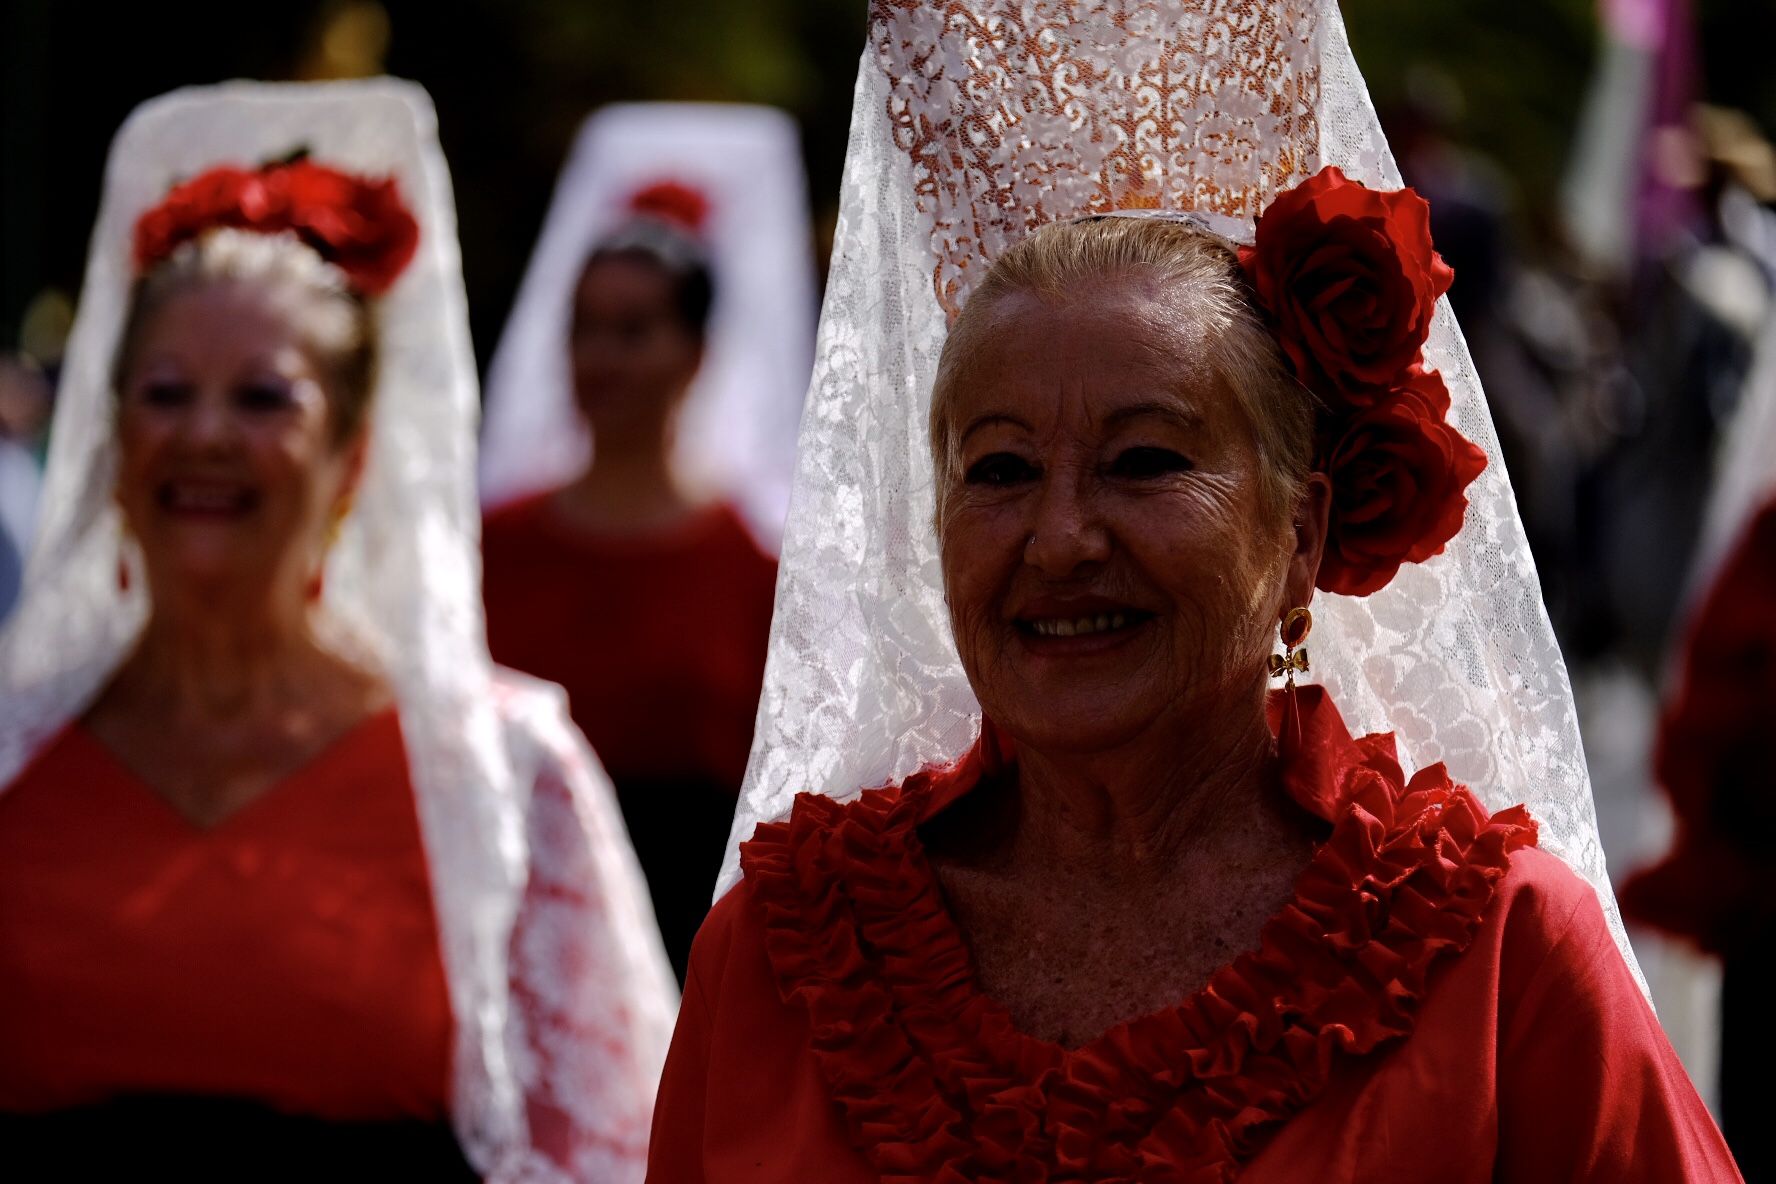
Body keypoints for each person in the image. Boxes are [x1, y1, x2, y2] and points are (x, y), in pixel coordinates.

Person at [647, 2, 1740, 1180]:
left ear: (1301, 529)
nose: (1060, 539)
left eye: (1146, 460)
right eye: (1002, 469)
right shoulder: (784, 961)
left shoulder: (1496, 963)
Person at [0, 81, 675, 1183]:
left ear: (352, 460)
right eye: (166, 393)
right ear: (111, 442)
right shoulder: (12, 755)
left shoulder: (502, 777)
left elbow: (610, 1144)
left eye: (263, 399)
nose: (206, 434)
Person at [480, 105, 814, 978]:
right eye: (585, 327)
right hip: (508, 949)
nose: (602, 359)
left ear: (696, 353)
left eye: (634, 330)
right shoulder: (490, 551)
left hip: (690, 959)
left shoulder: (754, 573)